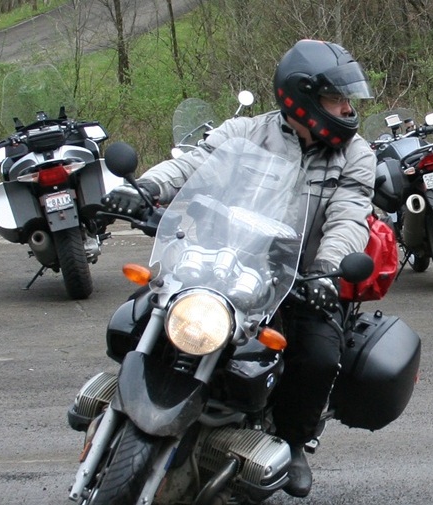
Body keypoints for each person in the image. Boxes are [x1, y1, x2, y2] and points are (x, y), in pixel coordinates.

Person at [101, 39, 376, 497]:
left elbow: (349, 214)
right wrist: (146, 189)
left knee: (320, 354)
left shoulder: (355, 155)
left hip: (297, 279)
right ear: (301, 98)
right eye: (336, 99)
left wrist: (328, 269)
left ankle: (292, 440)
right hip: (218, 259)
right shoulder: (246, 132)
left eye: (348, 100)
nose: (347, 109)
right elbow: (194, 163)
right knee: (144, 311)